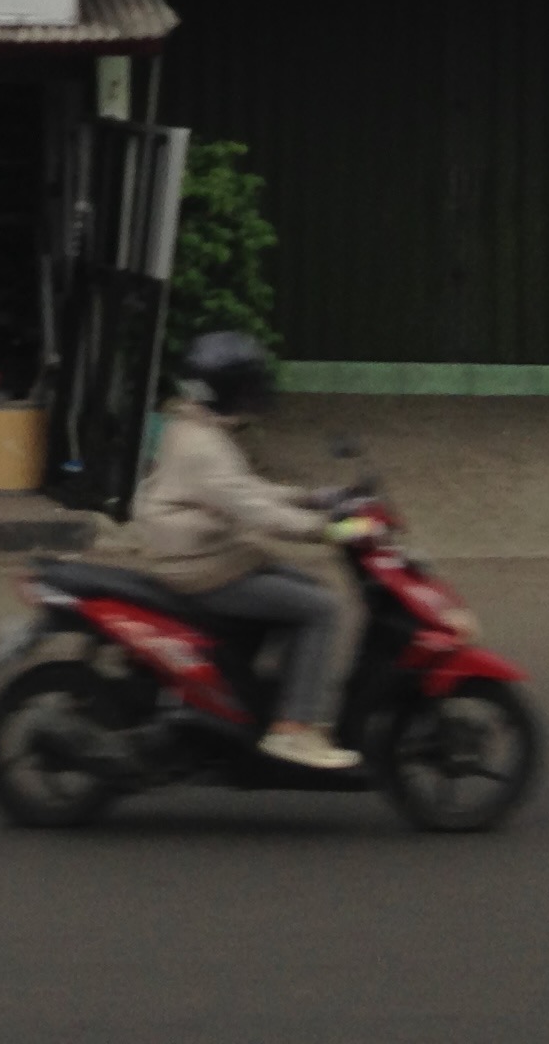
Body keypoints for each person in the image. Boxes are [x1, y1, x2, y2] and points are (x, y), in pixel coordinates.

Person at [126, 330, 362, 772]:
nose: (255, 397)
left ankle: (258, 698)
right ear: (227, 390)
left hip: (205, 555)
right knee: (322, 607)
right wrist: (331, 529)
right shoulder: (204, 448)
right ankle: (293, 730)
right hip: (202, 567)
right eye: (248, 387)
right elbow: (257, 512)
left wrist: (313, 497)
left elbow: (245, 491)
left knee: (298, 586)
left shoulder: (191, 426)